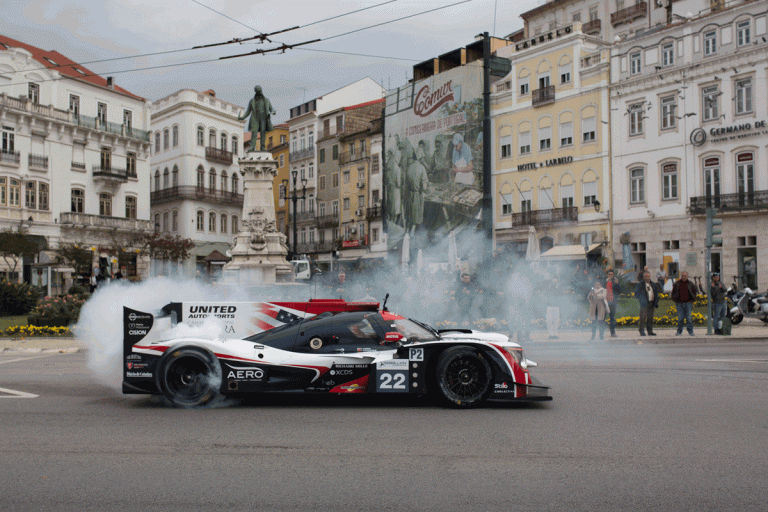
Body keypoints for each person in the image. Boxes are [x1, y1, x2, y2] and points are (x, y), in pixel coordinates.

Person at [238, 85, 276, 152]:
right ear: (256, 92)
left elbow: (271, 108)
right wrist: (242, 117)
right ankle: (252, 147)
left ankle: (262, 147)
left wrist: (273, 112)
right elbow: (248, 111)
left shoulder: (266, 100)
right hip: (255, 118)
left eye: (260, 91)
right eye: (258, 91)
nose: (260, 92)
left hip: (263, 118)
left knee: (263, 133)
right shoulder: (252, 101)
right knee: (254, 133)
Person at [634, 271, 660, 336]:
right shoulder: (640, 284)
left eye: (648, 276)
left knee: (650, 318)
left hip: (651, 303)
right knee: (643, 318)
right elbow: (637, 293)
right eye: (645, 276)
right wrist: (642, 300)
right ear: (643, 277)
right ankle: (642, 331)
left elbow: (656, 293)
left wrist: (656, 301)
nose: (647, 277)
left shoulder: (653, 284)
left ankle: (650, 331)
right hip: (644, 304)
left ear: (650, 277)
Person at [672, 271, 698, 336]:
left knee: (689, 318)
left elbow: (695, 293)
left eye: (685, 276)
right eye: (683, 276)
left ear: (687, 276)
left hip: (688, 303)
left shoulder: (691, 284)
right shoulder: (677, 283)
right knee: (680, 318)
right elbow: (673, 293)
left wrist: (691, 300)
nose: (684, 277)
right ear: (681, 276)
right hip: (679, 304)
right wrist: (676, 300)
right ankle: (679, 331)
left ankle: (690, 331)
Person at [605, 269, 622, 338]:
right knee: (602, 317)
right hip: (605, 302)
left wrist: (617, 284)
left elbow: (619, 291)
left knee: (612, 318)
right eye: (609, 274)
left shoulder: (615, 282)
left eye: (612, 274)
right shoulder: (604, 281)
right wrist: (605, 282)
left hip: (612, 302)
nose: (611, 276)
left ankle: (613, 332)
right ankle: (601, 332)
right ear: (607, 275)